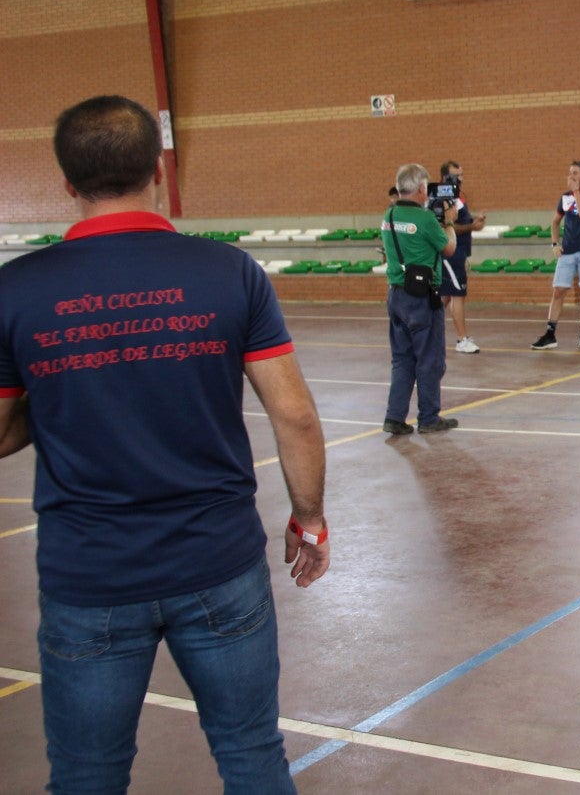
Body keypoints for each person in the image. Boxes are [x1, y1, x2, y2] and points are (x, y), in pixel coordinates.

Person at [0, 95, 329, 792]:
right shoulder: (229, 272)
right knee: (251, 753)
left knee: (86, 774)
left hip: (89, 575)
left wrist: (59, 385)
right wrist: (309, 518)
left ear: (66, 182)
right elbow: (295, 415)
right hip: (218, 562)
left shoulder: (16, 289)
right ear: (158, 169)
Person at [382, 163, 460, 434]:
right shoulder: (425, 219)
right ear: (420, 189)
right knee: (429, 359)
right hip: (422, 297)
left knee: (402, 359)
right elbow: (449, 248)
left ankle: (394, 416)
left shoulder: (389, 215)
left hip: (396, 293)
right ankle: (428, 417)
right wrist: (449, 221)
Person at [532, 160, 580, 349]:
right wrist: (555, 243)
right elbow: (555, 222)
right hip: (568, 251)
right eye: (570, 172)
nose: (571, 176)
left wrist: (576, 192)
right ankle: (550, 334)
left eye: (575, 173)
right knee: (558, 291)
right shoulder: (565, 197)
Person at [437, 160, 487, 354]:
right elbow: (446, 226)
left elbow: (460, 220)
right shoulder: (443, 195)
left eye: (461, 175)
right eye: (456, 176)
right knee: (458, 295)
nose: (461, 179)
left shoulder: (456, 196)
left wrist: (474, 220)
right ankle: (461, 339)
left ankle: (427, 330)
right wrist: (472, 226)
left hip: (460, 251)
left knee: (445, 296)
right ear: (445, 177)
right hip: (451, 252)